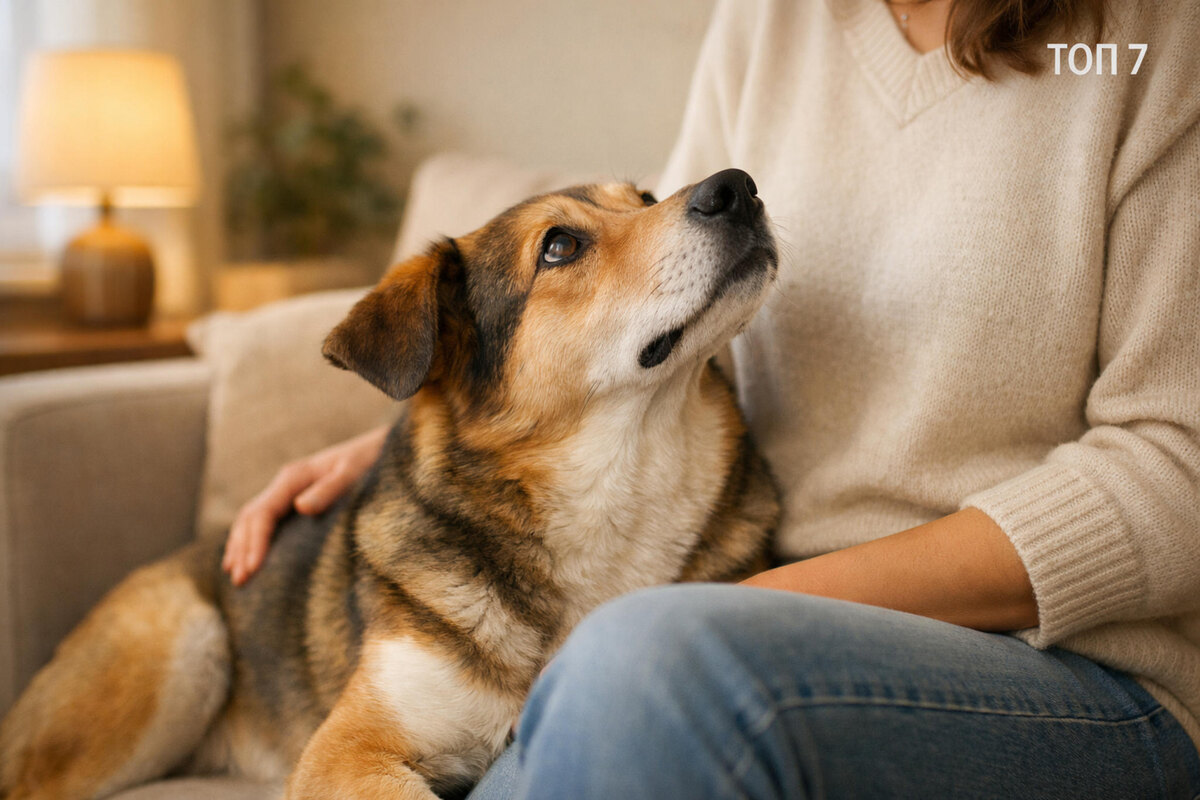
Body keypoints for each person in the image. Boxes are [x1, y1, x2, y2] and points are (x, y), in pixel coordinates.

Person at [224, 0, 1200, 796]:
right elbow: (656, 294)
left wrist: (737, 610)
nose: (715, 194)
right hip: (718, 628)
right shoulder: (771, 21)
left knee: (632, 669)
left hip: (1067, 672)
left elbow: (1177, 470)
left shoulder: (1157, 38)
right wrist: (424, 430)